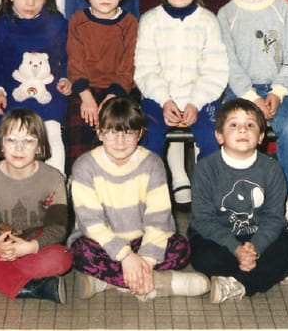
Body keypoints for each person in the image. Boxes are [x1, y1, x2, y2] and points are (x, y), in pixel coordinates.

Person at [69, 96, 210, 300]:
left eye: (128, 133)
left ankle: (108, 282)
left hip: (142, 240)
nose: (120, 141)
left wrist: (145, 260)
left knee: (181, 248)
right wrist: (125, 257)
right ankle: (161, 283)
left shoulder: (152, 163)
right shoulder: (84, 166)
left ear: (140, 133)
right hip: (104, 243)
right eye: (111, 132)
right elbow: (91, 224)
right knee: (80, 252)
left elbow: (159, 219)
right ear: (99, 133)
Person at [217, 0, 288, 229]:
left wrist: (278, 92)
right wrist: (251, 96)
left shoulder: (284, 10)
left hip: (281, 89)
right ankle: (237, 199)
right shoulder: (227, 14)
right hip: (241, 90)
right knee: (238, 131)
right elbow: (229, 61)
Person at [189, 98, 288, 303]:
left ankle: (239, 284)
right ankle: (278, 270)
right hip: (220, 238)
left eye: (250, 125)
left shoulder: (271, 168)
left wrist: (254, 248)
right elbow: (203, 220)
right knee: (203, 256)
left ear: (261, 136)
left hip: (258, 237)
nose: (242, 130)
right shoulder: (205, 168)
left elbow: (274, 219)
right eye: (233, 125)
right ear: (219, 136)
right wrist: (237, 249)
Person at [135, 0, 229, 208]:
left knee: (214, 138)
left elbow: (215, 70)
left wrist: (195, 102)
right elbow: (145, 70)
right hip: (158, 98)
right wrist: (164, 101)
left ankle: (207, 199)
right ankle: (151, 200)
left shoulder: (208, 21)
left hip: (200, 98)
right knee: (148, 139)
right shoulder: (151, 20)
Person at [0, 109, 71, 303]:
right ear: (1, 145)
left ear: (40, 147)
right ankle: (32, 288)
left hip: (35, 247)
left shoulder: (54, 179)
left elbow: (57, 228)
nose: (19, 148)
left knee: (62, 258)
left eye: (28, 141)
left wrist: (31, 247)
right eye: (11, 140)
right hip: (0, 248)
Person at [0, 0, 71, 173]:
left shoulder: (57, 23)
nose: (31, 2)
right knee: (15, 139)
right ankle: (15, 184)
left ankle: (56, 185)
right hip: (13, 94)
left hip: (48, 92)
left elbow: (65, 58)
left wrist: (64, 79)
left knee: (52, 135)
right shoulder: (1, 25)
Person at [66, 0, 139, 171]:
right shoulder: (78, 21)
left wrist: (111, 96)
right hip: (85, 90)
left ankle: (120, 179)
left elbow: (128, 66)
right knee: (79, 133)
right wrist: (86, 96)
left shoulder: (130, 23)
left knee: (120, 129)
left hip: (119, 91)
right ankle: (79, 181)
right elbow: (75, 62)